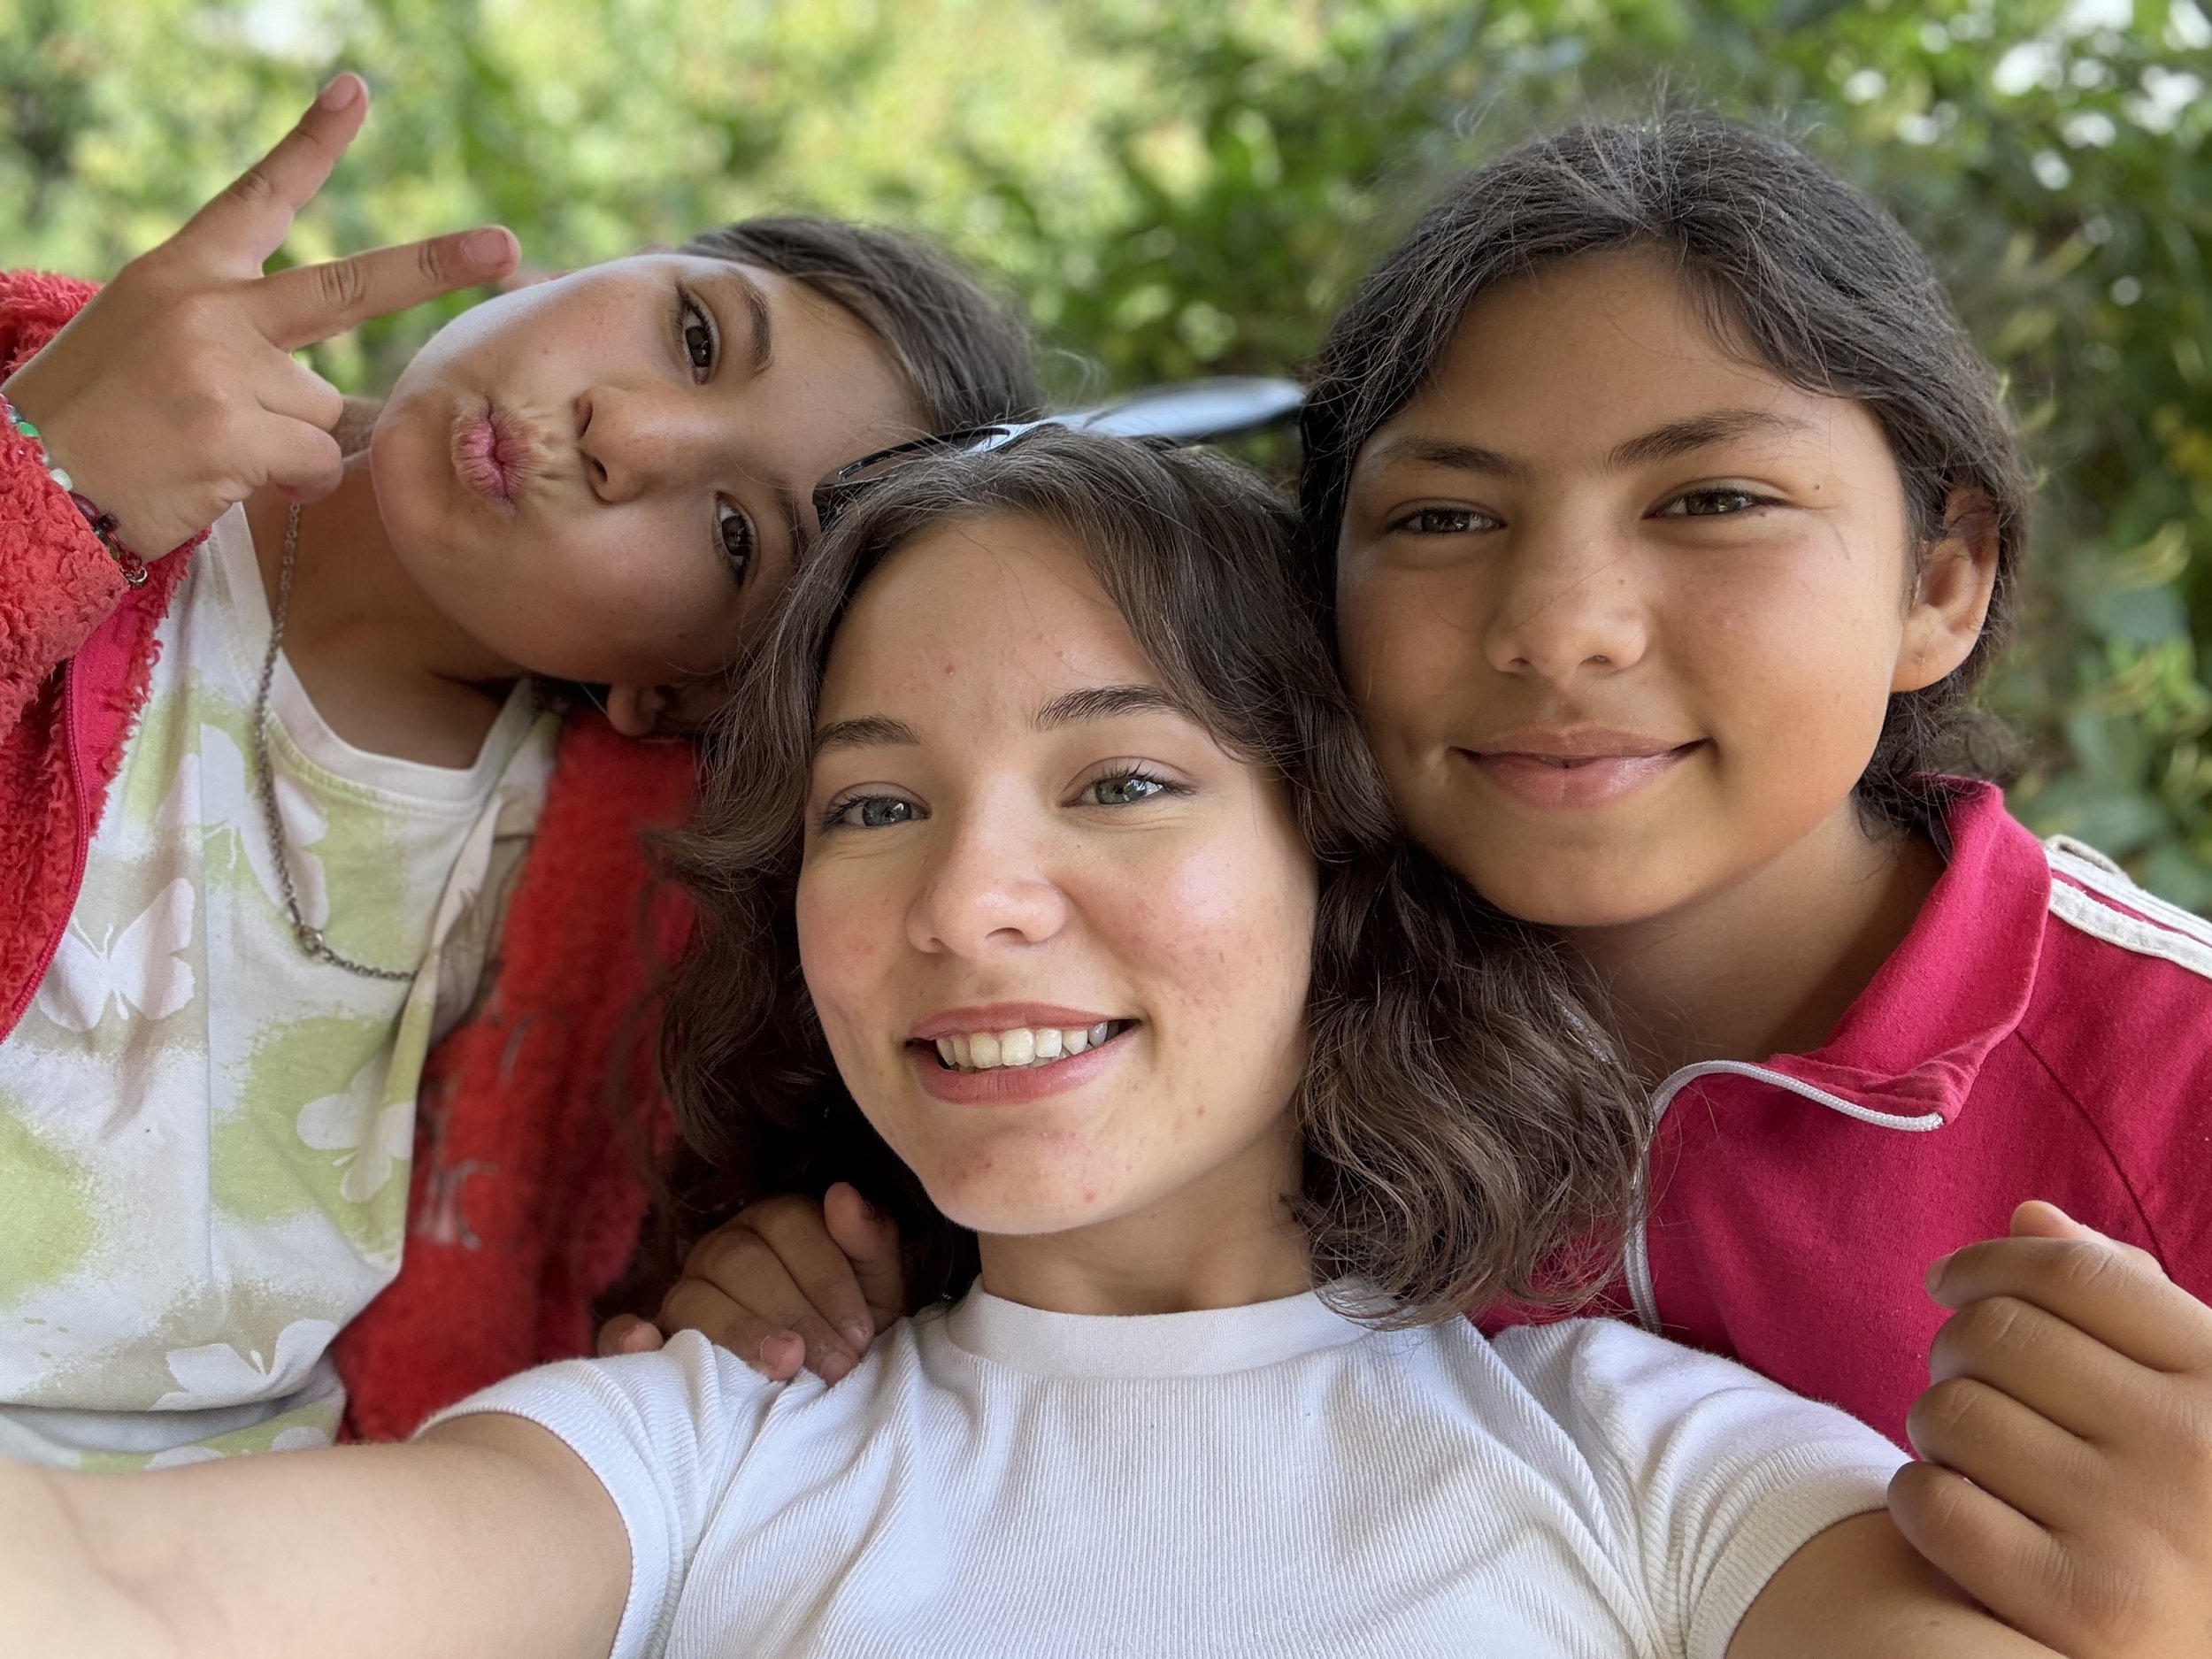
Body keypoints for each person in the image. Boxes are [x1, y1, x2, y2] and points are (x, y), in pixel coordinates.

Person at [0, 429, 2055, 1657]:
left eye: (1118, 785)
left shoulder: (1653, 1456)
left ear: (1335, 862)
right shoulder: (693, 1451)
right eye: (873, 806)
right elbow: (125, 1591)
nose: (966, 899)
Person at [622, 115, 2212, 1655]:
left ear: (1938, 580)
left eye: (1711, 501)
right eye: (1442, 516)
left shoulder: (2172, 1077)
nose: (1561, 623)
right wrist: (807, 1284)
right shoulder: (1232, 1002)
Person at [0, 72, 1041, 1467]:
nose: (632, 438)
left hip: (222, 1546)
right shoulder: (66, 406)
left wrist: (745, 1304)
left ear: (679, 690)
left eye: (736, 536)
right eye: (692, 333)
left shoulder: (631, 904)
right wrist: (49, 492)